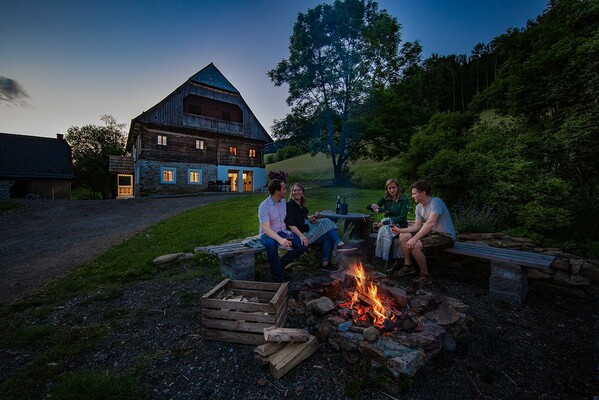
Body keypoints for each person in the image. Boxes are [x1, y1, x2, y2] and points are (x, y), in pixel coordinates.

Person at [390, 180, 456, 285]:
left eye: (414, 193)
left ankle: (425, 276)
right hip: (432, 234)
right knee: (403, 236)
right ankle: (408, 266)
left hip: (445, 237)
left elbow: (430, 223)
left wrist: (414, 238)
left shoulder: (436, 202)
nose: (412, 196)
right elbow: (417, 226)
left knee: (415, 245)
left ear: (423, 193)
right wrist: (399, 230)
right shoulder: (418, 207)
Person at [284, 183, 355, 271]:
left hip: (307, 228)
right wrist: (301, 235)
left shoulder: (301, 205)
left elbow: (300, 219)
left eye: (299, 190)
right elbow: (290, 222)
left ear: (302, 192)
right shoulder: (290, 205)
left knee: (328, 236)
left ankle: (325, 264)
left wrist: (310, 219)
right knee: (326, 221)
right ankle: (339, 243)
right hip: (302, 234)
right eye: (295, 190)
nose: (297, 192)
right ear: (292, 193)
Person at [258, 179, 307, 281]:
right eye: (284, 188)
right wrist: (280, 239)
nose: (286, 190)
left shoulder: (283, 202)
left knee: (302, 245)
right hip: (267, 234)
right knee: (272, 244)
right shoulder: (264, 206)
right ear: (277, 192)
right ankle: (278, 277)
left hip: (283, 232)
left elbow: (296, 206)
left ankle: (280, 265)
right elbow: (266, 229)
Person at [369, 178, 410, 273]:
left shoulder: (404, 199)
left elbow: (402, 217)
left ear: (398, 187)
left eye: (394, 187)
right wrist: (374, 206)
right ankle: (383, 259)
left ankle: (386, 259)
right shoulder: (386, 198)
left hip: (399, 223)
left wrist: (385, 222)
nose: (392, 190)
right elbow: (376, 206)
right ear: (387, 189)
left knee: (384, 230)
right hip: (387, 223)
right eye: (389, 188)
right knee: (384, 230)